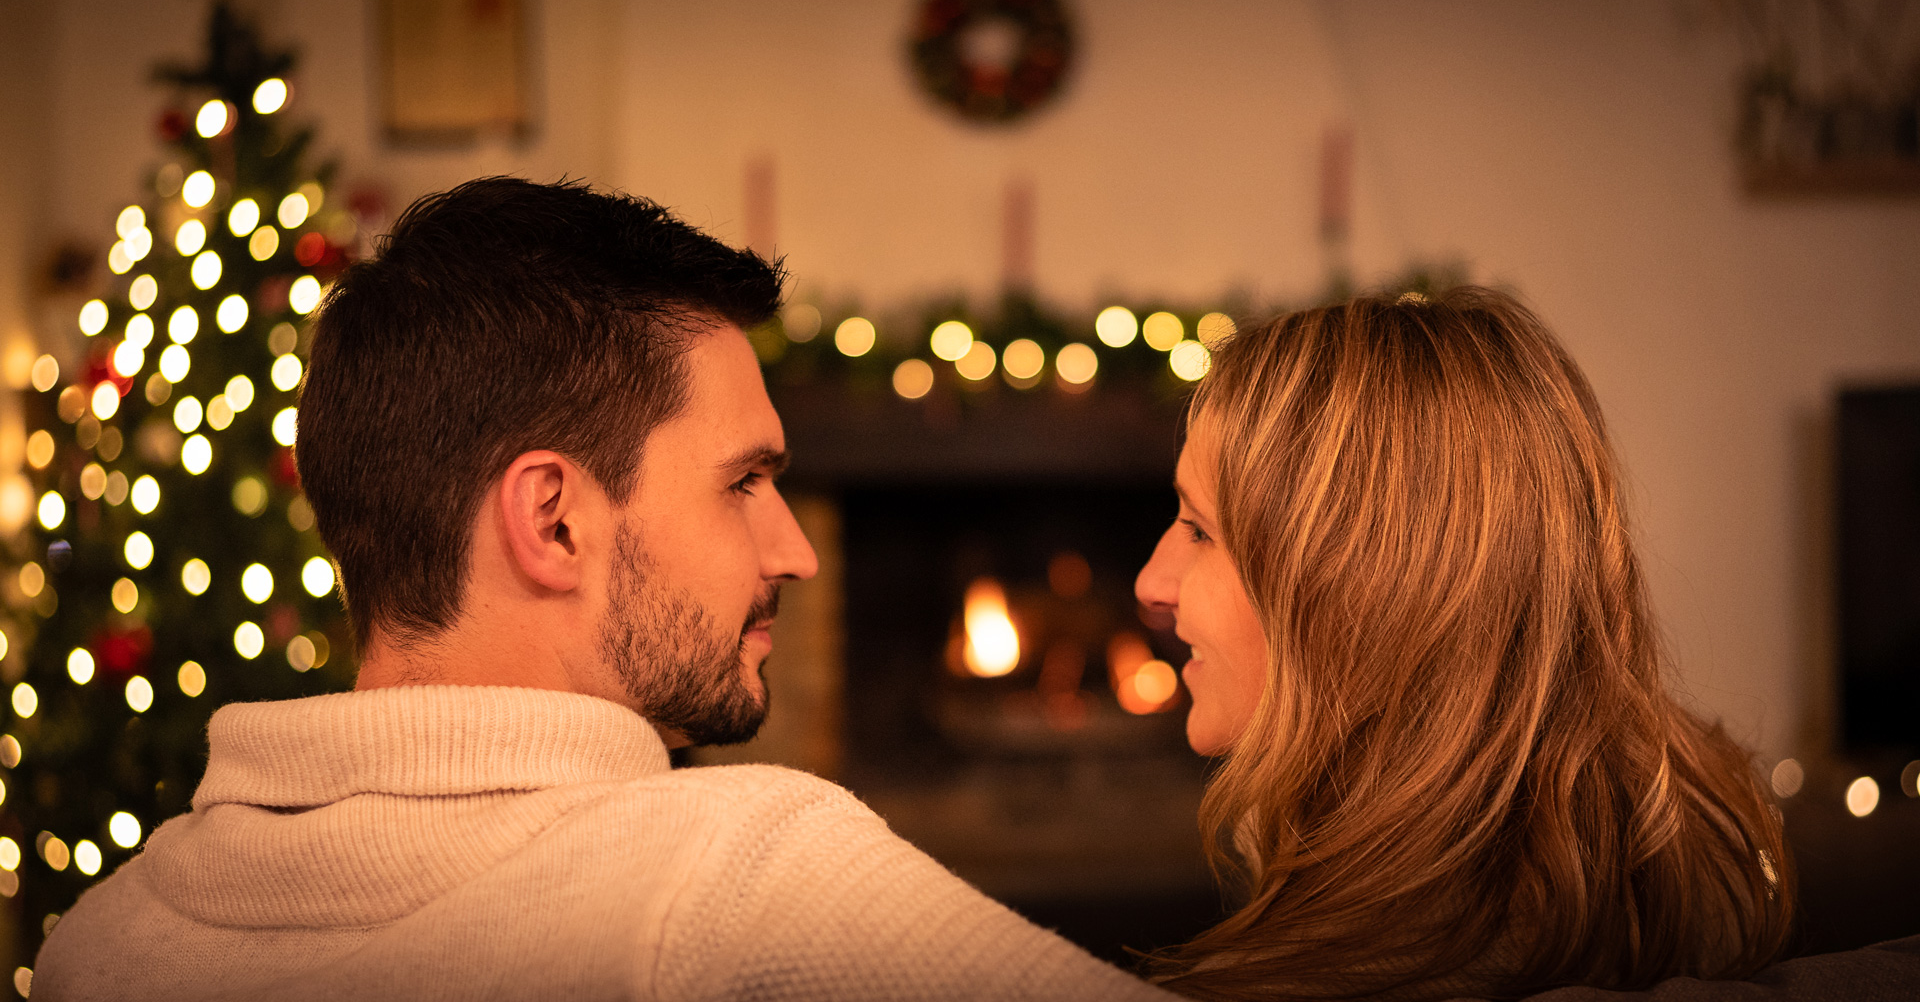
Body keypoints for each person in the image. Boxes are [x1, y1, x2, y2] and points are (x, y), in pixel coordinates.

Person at [36, 177, 1170, 1001]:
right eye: (745, 483)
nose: (795, 551)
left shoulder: (100, 942)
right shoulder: (748, 884)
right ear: (553, 520)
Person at [1133, 286, 1798, 1000]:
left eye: (1201, 530)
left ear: (1356, 589)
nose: (1151, 583)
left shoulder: (1348, 976)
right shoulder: (1683, 872)